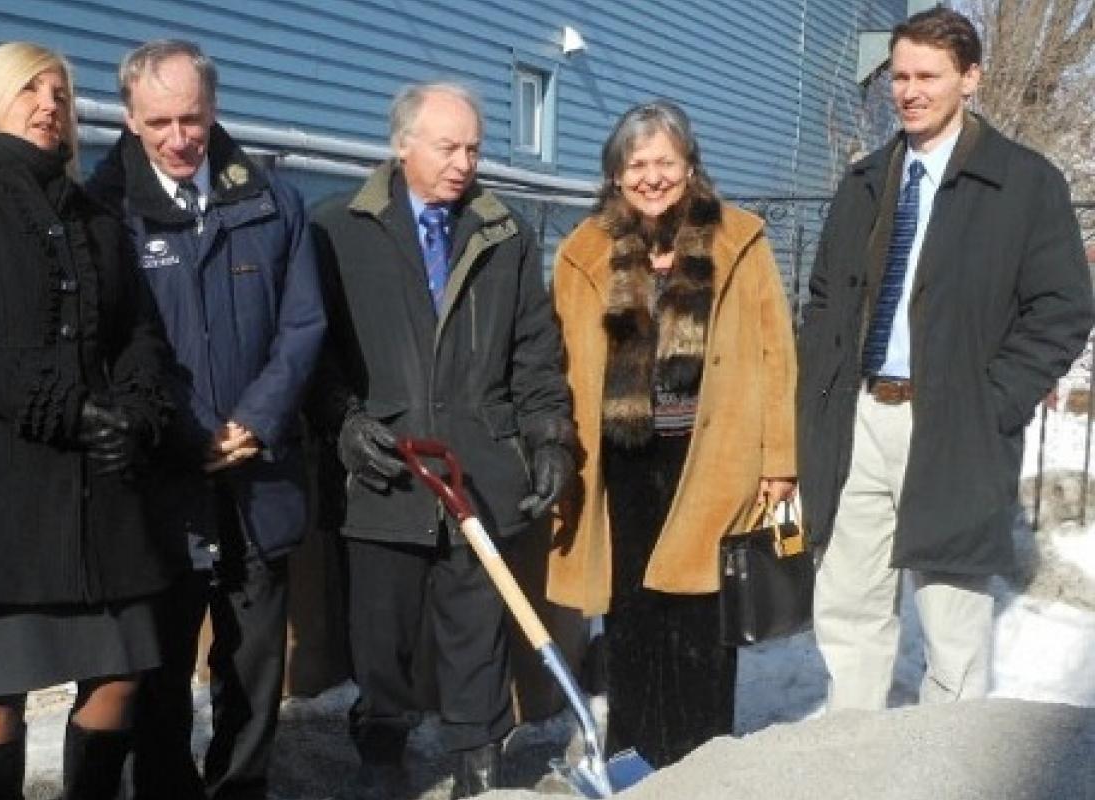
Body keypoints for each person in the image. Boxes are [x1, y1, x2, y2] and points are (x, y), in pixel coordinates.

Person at [0, 42, 173, 800]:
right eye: (30, 89)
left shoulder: (96, 216)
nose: (50, 104)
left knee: (119, 676)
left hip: (97, 492)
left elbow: (140, 334)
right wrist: (68, 408)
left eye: (60, 92)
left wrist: (136, 409)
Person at [798, 6, 1094, 712]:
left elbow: (1062, 309)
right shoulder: (866, 181)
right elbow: (822, 298)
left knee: (952, 622)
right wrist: (823, 386)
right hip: (861, 417)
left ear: (971, 78)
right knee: (849, 605)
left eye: (927, 75)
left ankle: (942, 773)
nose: (909, 90)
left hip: (955, 422)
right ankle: (852, 758)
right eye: (899, 75)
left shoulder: (1023, 184)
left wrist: (995, 400)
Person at [310, 82, 576, 799]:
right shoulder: (338, 229)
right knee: (381, 640)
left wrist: (549, 438)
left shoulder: (505, 234)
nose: (464, 162)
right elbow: (318, 354)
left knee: (476, 637)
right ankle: (380, 762)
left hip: (478, 470)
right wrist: (344, 423)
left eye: (474, 148)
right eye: (447, 146)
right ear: (402, 144)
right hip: (386, 473)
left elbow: (534, 353)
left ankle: (479, 769)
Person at [86, 40, 326, 800]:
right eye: (158, 120)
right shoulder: (105, 216)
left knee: (254, 661)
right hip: (164, 479)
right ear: (128, 117)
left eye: (192, 117)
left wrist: (254, 419)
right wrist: (190, 433)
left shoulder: (270, 201)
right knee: (159, 664)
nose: (178, 136)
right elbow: (113, 344)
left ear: (214, 110)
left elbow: (303, 325)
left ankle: (241, 786)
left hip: (260, 472)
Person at [546, 100, 797, 768]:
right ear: (615, 173)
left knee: (701, 616)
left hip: (715, 457)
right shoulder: (585, 251)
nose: (652, 176)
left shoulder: (739, 239)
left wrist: (781, 460)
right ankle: (636, 754)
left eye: (666, 161)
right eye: (637, 164)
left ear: (690, 165)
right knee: (630, 613)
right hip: (622, 460)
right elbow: (562, 358)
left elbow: (777, 355)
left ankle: (702, 758)